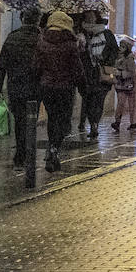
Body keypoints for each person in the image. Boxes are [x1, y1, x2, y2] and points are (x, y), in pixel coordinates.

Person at [34, 10, 84, 172]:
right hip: (65, 88)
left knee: (53, 117)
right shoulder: (70, 45)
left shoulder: (41, 42)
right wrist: (83, 86)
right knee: (63, 121)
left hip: (47, 87)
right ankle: (55, 148)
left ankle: (52, 147)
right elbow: (77, 70)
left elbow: (35, 67)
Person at [0, 7, 43, 168]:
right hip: (36, 86)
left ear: (23, 19)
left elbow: (2, 64)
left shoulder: (12, 37)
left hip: (15, 86)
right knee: (31, 120)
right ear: (38, 20)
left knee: (19, 121)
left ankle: (20, 154)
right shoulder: (41, 38)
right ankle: (28, 153)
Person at [77, 13, 118, 141]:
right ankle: (92, 122)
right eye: (87, 17)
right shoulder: (82, 34)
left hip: (103, 73)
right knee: (88, 100)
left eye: (92, 16)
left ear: (97, 17)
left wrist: (105, 59)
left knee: (99, 100)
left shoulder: (107, 34)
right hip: (87, 73)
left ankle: (95, 124)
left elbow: (114, 50)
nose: (90, 18)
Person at [110, 36, 136, 132]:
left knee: (133, 104)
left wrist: (120, 73)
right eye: (120, 46)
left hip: (131, 84)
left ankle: (133, 123)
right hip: (120, 84)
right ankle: (117, 122)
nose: (120, 48)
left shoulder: (130, 59)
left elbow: (132, 72)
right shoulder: (117, 57)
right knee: (120, 103)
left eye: (123, 47)